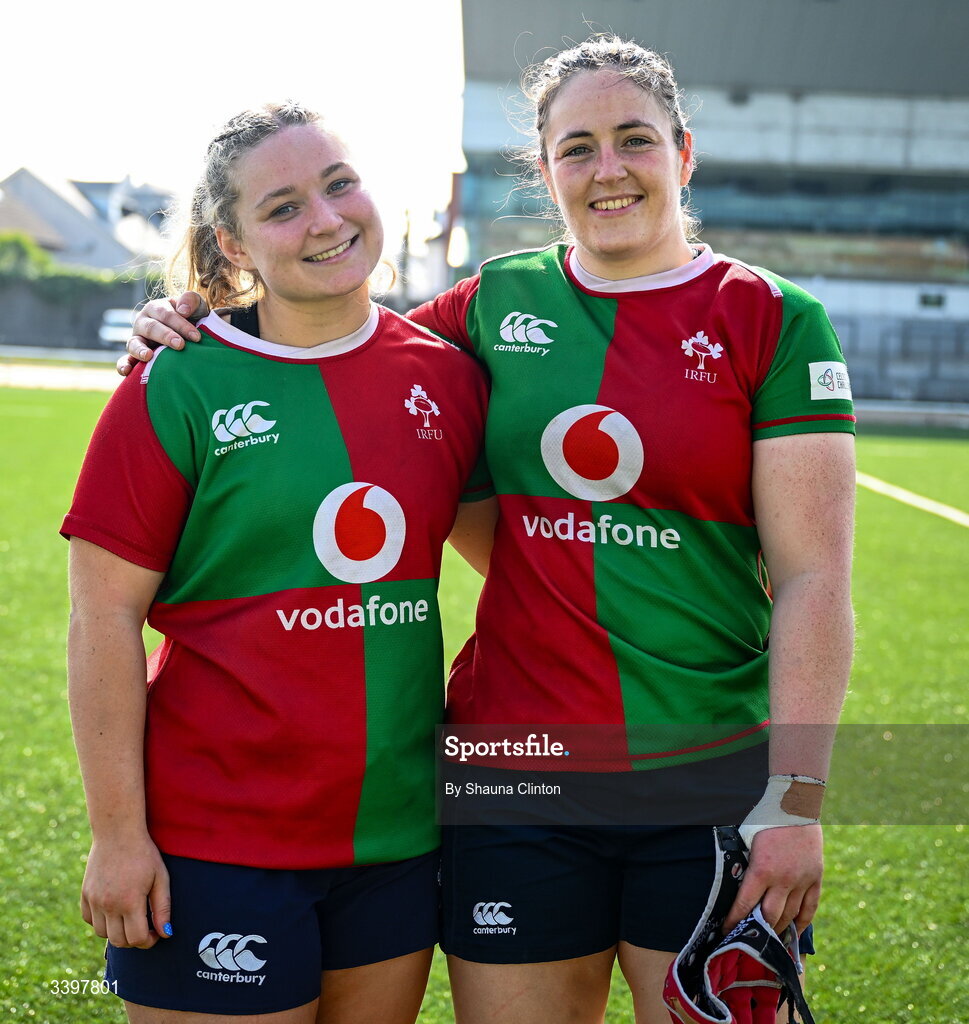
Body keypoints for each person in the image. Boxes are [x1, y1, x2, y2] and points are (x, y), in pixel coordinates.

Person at [121, 36, 855, 1024]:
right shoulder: (486, 308)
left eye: (634, 139)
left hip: (706, 776)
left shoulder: (775, 320)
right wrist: (197, 313)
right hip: (514, 779)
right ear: (545, 169)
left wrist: (795, 801)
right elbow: (332, 332)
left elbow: (815, 581)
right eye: (576, 146)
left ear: (682, 153)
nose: (608, 169)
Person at [63, 101, 492, 1024]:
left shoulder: (447, 377)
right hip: (215, 843)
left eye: (340, 184)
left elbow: (519, 564)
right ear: (235, 241)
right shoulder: (175, 379)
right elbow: (102, 617)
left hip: (398, 841)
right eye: (284, 205)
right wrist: (117, 837)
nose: (328, 219)